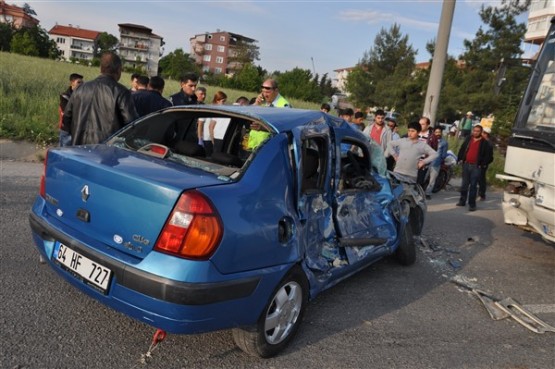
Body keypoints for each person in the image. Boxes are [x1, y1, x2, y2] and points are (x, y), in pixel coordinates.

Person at [62, 52, 137, 146]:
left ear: (100, 68)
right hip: (105, 153)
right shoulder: (122, 92)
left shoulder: (79, 89)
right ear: (119, 70)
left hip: (78, 149)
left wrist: (75, 135)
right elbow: (131, 124)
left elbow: (66, 117)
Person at [456, 125, 494, 211]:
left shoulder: (485, 143)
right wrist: (460, 158)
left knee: (473, 186)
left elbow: (489, 157)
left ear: (481, 132)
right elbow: (462, 149)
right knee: (464, 185)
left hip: (476, 167)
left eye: (477, 131)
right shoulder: (469, 139)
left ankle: (472, 204)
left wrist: (483, 164)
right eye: (474, 131)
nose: (475, 132)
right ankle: (462, 201)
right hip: (466, 164)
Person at [197, 91, 227, 156]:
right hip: (206, 138)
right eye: (223, 101)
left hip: (214, 138)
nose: (224, 103)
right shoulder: (208, 109)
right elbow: (200, 124)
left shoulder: (220, 110)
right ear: (217, 100)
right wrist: (200, 138)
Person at [58, 73, 83, 146]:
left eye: (82, 83)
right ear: (72, 83)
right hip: (67, 130)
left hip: (77, 130)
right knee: (64, 152)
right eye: (78, 82)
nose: (81, 85)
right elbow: (66, 114)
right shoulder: (65, 97)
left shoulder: (81, 96)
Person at [425, 126, 448, 199]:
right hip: (427, 162)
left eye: (439, 132)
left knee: (432, 180)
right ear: (434, 133)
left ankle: (427, 193)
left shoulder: (444, 143)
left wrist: (440, 161)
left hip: (436, 163)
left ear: (441, 133)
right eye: (436, 132)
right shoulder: (430, 140)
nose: (438, 134)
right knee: (423, 178)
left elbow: (444, 154)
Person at [417, 116, 439, 188]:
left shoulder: (432, 137)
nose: (420, 126)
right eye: (419, 124)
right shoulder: (415, 133)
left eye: (423, 124)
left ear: (428, 125)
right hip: (411, 161)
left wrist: (425, 162)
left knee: (419, 183)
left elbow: (434, 151)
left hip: (423, 163)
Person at [478, 126, 494, 201]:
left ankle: (482, 194)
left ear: (486, 134)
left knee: (481, 179)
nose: (482, 134)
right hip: (478, 163)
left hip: (483, 164)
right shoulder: (482, 141)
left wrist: (484, 163)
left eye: (483, 133)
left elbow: (489, 156)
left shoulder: (488, 143)